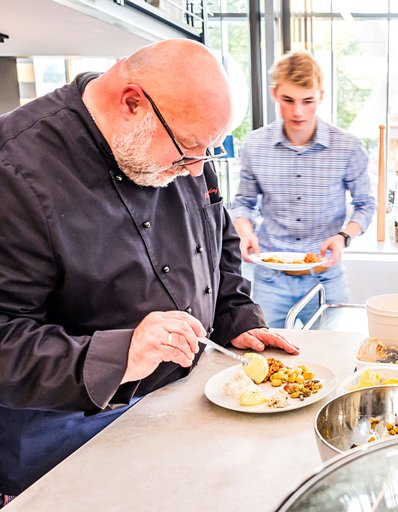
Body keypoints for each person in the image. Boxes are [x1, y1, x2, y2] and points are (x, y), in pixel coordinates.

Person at [0, 39, 298, 503]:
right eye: (186, 151)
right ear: (133, 102)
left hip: (180, 404)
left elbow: (218, 241)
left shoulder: (188, 150)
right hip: (63, 442)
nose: (198, 168)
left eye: (208, 152)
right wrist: (122, 353)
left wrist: (235, 315)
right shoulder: (13, 170)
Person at [231, 50, 375, 328]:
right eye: (288, 100)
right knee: (266, 358)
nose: (298, 111)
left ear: (320, 96)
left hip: (325, 276)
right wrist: (245, 232)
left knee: (338, 355)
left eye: (307, 101)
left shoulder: (347, 147)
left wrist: (343, 237)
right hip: (270, 276)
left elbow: (366, 204)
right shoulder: (254, 145)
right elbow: (244, 203)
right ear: (275, 94)